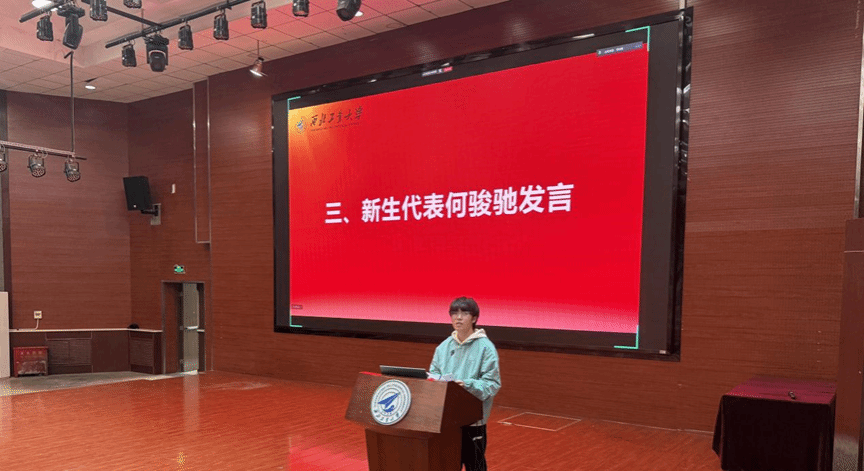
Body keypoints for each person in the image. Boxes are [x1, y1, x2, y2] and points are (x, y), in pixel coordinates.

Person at [429, 297, 501, 471]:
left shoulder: (486, 347)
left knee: (475, 466)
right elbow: (433, 375)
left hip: (473, 421)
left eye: (464, 313)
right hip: (447, 420)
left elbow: (492, 384)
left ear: (474, 318)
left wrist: (467, 385)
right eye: (454, 313)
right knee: (447, 465)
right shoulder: (443, 347)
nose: (458, 317)